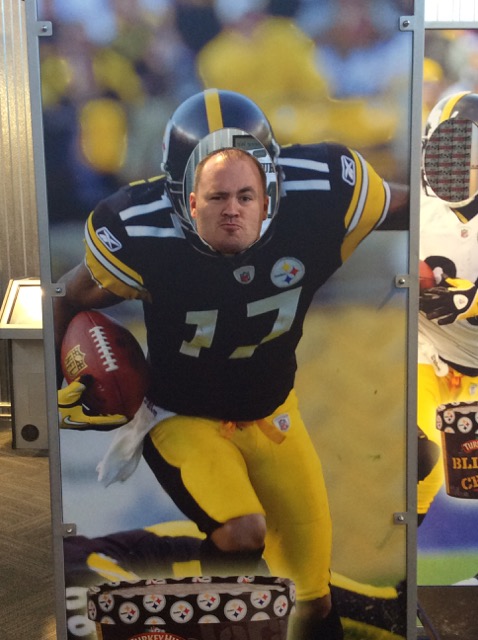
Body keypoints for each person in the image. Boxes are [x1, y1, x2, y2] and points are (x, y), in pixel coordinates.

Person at [55, 88, 409, 639]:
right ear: (184, 198)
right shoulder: (139, 230)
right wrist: (58, 375)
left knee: (309, 601)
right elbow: (66, 296)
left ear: (272, 190)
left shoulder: (324, 192)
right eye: (216, 197)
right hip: (183, 418)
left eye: (248, 194)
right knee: (244, 532)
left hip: (273, 417)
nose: (234, 209)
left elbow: (409, 206)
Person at [417, 91, 478, 568]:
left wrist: (471, 298)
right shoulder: (415, 211)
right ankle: (397, 588)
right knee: (416, 471)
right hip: (432, 360)